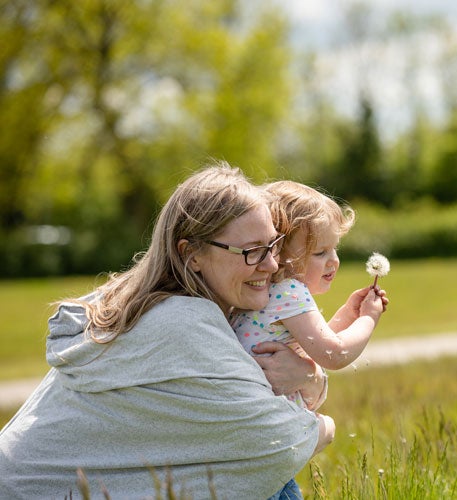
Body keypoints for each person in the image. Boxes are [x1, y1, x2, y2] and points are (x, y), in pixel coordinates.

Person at [0, 162, 338, 499]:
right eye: (251, 251)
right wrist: (327, 423)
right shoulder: (182, 325)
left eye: (274, 245)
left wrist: (310, 377)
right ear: (191, 254)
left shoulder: (154, 307)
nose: (272, 264)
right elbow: (280, 443)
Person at [233, 180, 388, 411]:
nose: (333, 260)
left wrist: (348, 314)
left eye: (334, 248)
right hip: (275, 421)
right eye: (320, 252)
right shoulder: (289, 291)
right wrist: (369, 318)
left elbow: (313, 345)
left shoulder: (261, 292)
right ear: (279, 252)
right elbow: (334, 353)